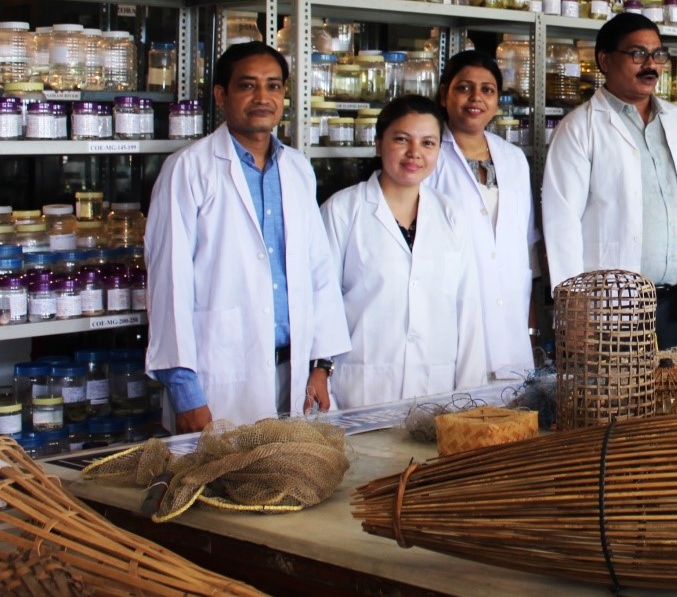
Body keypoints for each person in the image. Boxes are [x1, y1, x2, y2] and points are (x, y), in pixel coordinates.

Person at [145, 41, 350, 433]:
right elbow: (169, 286)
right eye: (247, 85)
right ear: (222, 94)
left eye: (273, 86)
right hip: (219, 379)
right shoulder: (188, 169)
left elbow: (318, 275)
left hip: (296, 376)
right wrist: (186, 395)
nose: (263, 97)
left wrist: (322, 366)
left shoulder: (297, 168)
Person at [542, 13, 677, 349]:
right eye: (637, 54)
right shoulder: (579, 128)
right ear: (604, 60)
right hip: (610, 311)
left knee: (676, 399)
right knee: (616, 399)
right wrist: (574, 313)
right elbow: (561, 226)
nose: (651, 65)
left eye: (657, 55)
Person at [321, 95, 489, 408]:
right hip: (361, 390)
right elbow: (321, 306)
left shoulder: (451, 215)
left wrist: (469, 400)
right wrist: (321, 376)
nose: (415, 153)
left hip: (436, 391)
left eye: (428, 143)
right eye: (401, 139)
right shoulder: (343, 211)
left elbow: (468, 313)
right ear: (378, 143)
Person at [428, 50, 540, 380]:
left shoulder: (513, 158)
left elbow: (526, 249)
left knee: (512, 420)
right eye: (464, 88)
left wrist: (531, 325)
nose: (476, 98)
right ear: (444, 93)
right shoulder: (429, 155)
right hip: (451, 314)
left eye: (487, 90)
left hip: (512, 321)